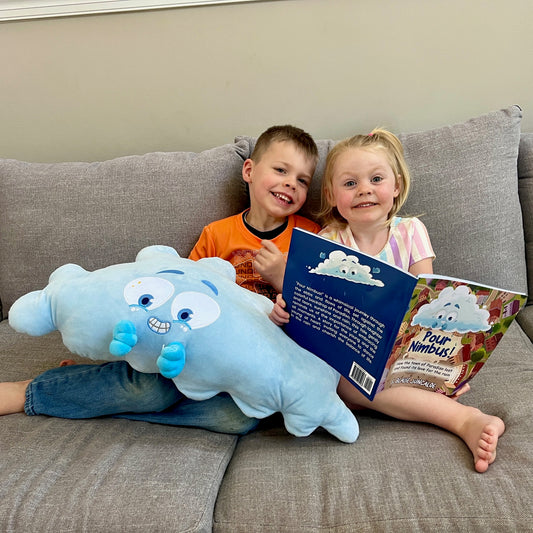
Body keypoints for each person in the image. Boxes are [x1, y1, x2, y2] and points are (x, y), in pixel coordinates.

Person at [0, 125, 321, 435]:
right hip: (192, 349)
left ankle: (82, 386)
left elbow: (319, 311)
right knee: (153, 393)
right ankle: (33, 391)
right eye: (281, 170)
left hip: (257, 364)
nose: (291, 183)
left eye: (302, 179)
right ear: (249, 170)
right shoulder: (218, 234)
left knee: (238, 421)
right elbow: (182, 290)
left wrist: (282, 279)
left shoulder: (311, 237)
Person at [269, 128, 504, 473]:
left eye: (376, 179)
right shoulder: (329, 240)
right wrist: (284, 310)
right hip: (351, 361)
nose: (364, 189)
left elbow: (429, 303)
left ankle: (452, 412)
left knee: (388, 375)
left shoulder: (411, 231)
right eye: (350, 183)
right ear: (333, 195)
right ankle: (460, 417)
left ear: (395, 187)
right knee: (347, 382)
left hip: (404, 353)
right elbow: (311, 307)